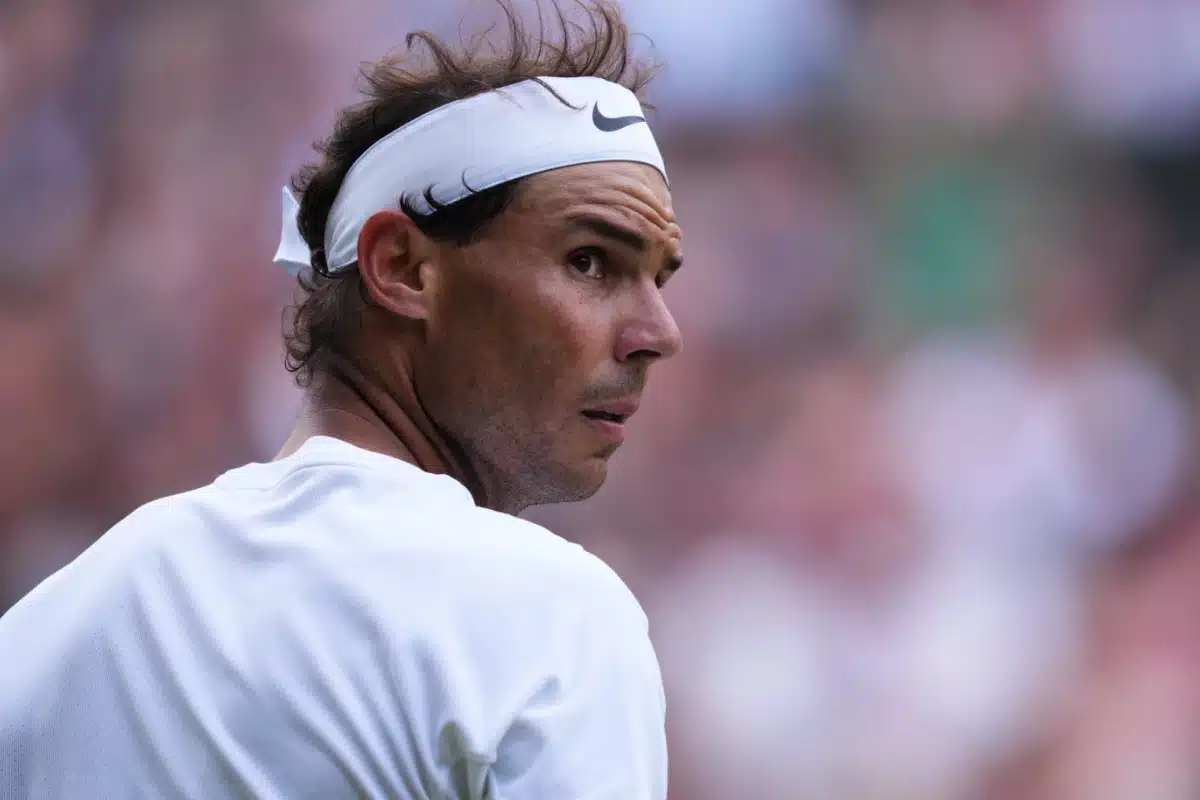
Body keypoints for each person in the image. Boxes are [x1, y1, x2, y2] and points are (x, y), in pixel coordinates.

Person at [0, 2, 684, 797]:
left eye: (659, 279)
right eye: (591, 261)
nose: (658, 333)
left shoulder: (48, 626)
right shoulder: (554, 618)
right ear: (401, 267)